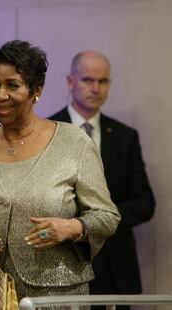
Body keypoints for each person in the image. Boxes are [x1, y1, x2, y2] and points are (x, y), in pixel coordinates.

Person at [0, 40, 121, 303]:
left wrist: (72, 227)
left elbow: (107, 216)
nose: (0, 94)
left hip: (55, 299)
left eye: (12, 85)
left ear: (36, 91)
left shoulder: (74, 142)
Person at [49, 50, 155, 309]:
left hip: (115, 268)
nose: (95, 88)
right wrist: (75, 226)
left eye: (103, 81)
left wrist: (99, 222)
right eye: (87, 80)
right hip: (63, 265)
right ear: (70, 82)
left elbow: (144, 202)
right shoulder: (47, 130)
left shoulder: (124, 136)